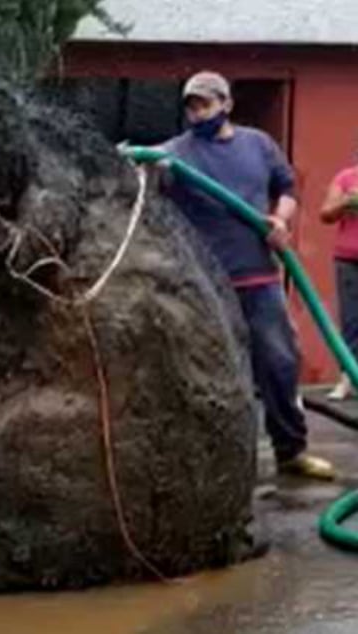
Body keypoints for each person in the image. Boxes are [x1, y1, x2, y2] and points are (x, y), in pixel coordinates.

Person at [161, 70, 335, 480]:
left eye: (205, 103)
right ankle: (210, 467)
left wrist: (279, 220)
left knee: (279, 363)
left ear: (226, 104)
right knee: (209, 371)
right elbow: (144, 179)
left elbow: (288, 188)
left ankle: (291, 452)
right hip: (204, 284)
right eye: (191, 105)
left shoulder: (258, 145)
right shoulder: (175, 153)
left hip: (259, 277)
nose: (197, 112)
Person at [321, 153, 358, 400]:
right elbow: (325, 214)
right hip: (349, 258)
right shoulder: (346, 178)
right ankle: (347, 378)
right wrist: (346, 202)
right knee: (351, 320)